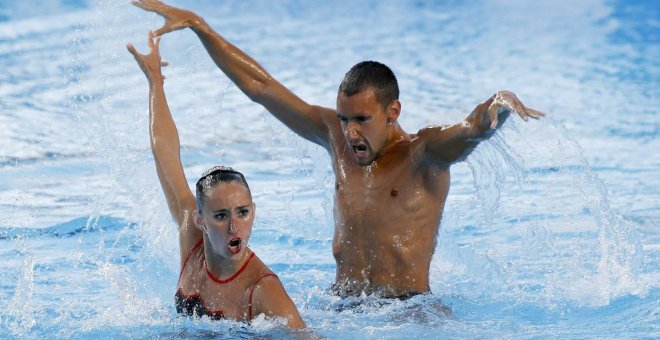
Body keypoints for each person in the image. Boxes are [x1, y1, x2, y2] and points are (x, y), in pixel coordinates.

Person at [132, 0, 545, 299]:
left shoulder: (426, 154)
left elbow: (473, 128)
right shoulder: (335, 137)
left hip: (408, 314)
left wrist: (499, 104)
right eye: (344, 119)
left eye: (361, 120)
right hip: (343, 305)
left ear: (392, 112)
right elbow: (262, 87)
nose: (349, 132)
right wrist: (201, 26)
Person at [126, 31, 305, 328]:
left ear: (253, 211)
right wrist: (155, 81)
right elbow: (165, 153)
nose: (236, 227)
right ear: (200, 220)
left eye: (243, 212)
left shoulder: (263, 291)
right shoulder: (191, 238)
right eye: (221, 216)